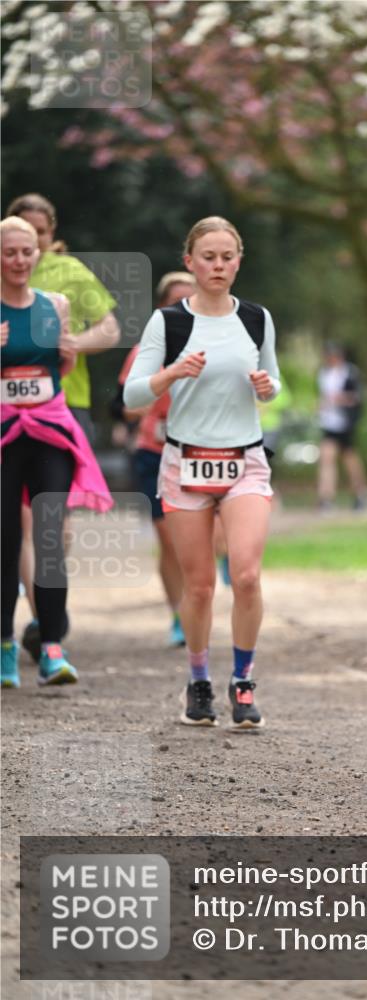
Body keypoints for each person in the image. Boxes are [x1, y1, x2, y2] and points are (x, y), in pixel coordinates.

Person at [124, 216, 281, 729]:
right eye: (208, 257)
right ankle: (197, 681)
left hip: (244, 461)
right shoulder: (167, 323)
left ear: (239, 262)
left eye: (227, 257)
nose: (218, 266)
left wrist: (267, 387)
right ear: (189, 262)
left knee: (247, 576)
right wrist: (171, 372)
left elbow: (274, 380)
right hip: (185, 461)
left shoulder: (256, 318)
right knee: (199, 587)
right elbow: (132, 393)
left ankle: (243, 681)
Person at [6, 193, 120, 662]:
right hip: (8, 416)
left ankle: (46, 618)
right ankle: (36, 621)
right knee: (16, 523)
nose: (26, 252)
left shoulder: (69, 275)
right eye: (20, 238)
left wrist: (73, 342)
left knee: (52, 525)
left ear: (49, 236)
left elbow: (110, 329)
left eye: (38, 237)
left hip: (64, 406)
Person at [116, 271, 196, 648]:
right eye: (176, 302)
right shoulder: (145, 351)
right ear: (162, 307)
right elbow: (125, 407)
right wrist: (146, 399)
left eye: (190, 300)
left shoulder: (216, 345)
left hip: (202, 453)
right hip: (155, 453)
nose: (184, 308)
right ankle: (180, 614)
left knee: (201, 541)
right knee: (169, 539)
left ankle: (198, 604)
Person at [317, 342, 367, 510]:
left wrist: (341, 399)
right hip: (329, 422)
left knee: (350, 460)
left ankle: (360, 493)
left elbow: (359, 397)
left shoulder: (350, 373)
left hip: (346, 423)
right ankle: (326, 497)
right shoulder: (323, 373)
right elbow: (324, 396)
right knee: (327, 457)